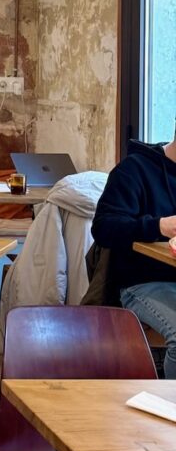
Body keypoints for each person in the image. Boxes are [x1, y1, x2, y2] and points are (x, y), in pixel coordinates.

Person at [91, 137, 176, 378]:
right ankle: (169, 412)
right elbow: (103, 228)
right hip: (143, 283)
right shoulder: (134, 170)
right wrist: (158, 226)